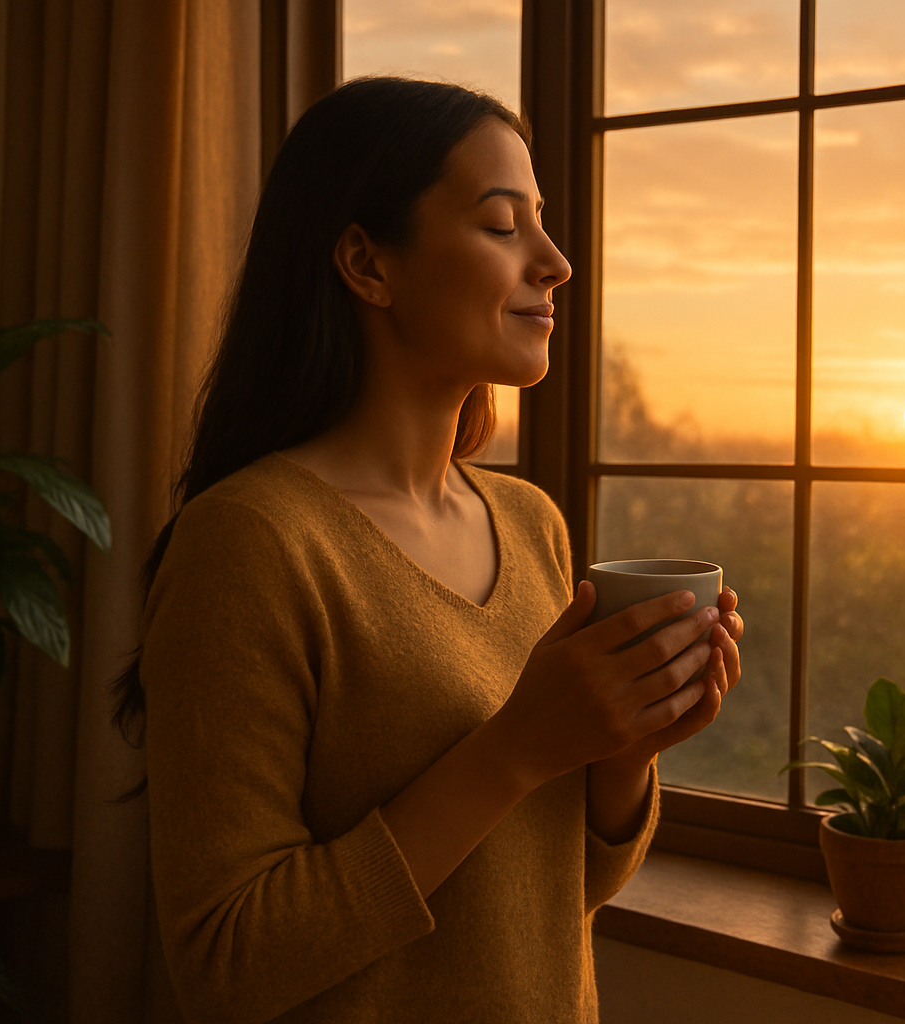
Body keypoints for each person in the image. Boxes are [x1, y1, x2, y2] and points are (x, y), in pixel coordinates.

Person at [113, 77, 745, 1024]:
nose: (556, 263)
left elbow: (544, 898)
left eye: (543, 223)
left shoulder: (531, 524)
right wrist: (516, 749)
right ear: (368, 264)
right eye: (502, 225)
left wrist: (621, 750)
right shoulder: (251, 544)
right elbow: (227, 963)